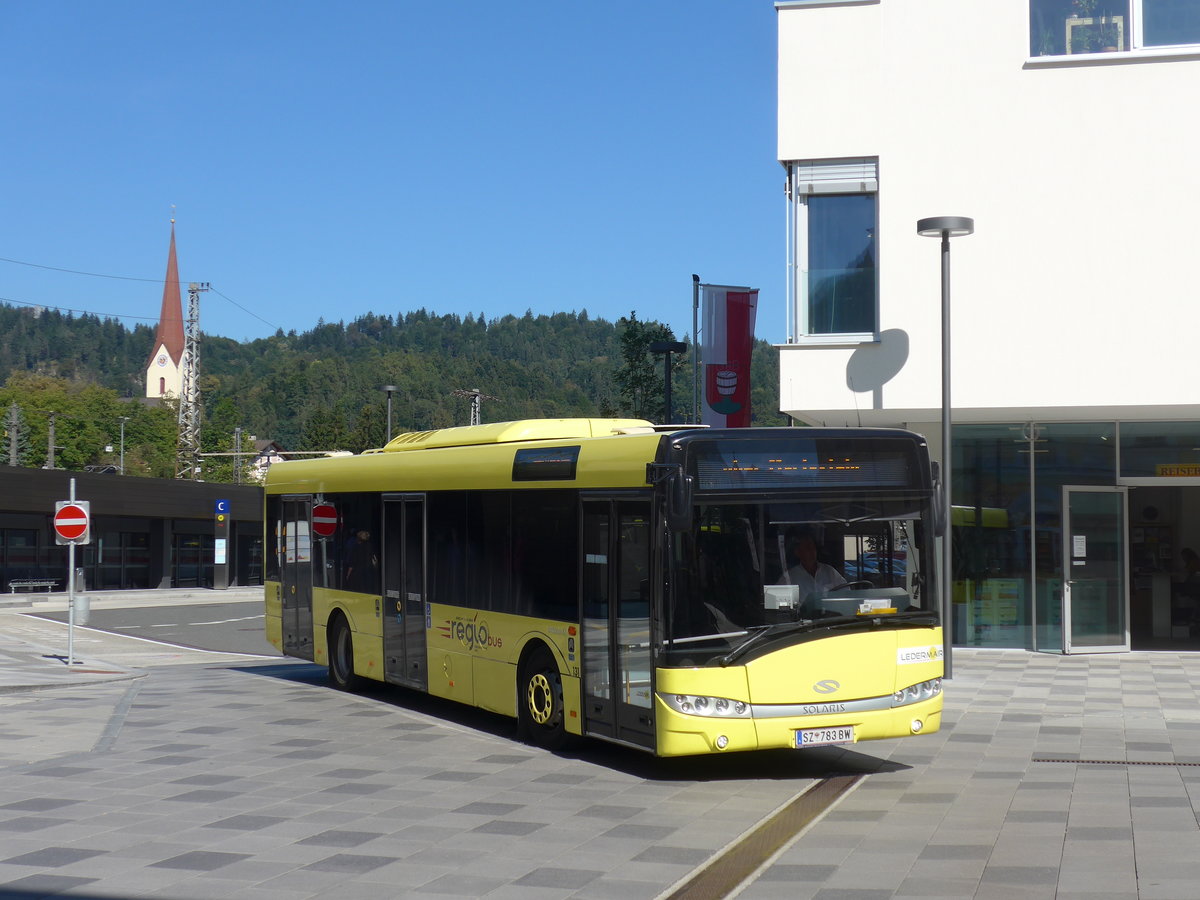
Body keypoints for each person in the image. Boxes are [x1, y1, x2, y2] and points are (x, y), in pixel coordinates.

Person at [779, 529, 846, 598]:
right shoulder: (790, 577)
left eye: (813, 547)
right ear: (798, 552)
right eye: (808, 548)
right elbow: (778, 600)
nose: (812, 551)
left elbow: (845, 591)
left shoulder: (829, 571)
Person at [345, 529, 378, 593]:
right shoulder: (370, 546)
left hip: (358, 573)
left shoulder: (356, 547)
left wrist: (348, 575)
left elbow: (352, 562)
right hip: (368, 572)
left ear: (358, 538)